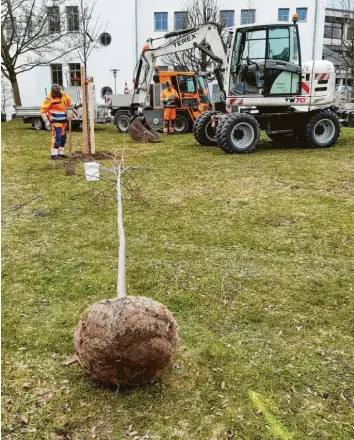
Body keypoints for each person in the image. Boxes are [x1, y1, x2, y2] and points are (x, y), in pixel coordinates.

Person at [40, 84, 81, 160]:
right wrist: (46, 121)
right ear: (52, 92)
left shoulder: (64, 95)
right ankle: (54, 154)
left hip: (63, 121)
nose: (56, 95)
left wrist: (78, 105)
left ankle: (60, 153)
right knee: (57, 137)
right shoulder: (49, 98)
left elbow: (70, 103)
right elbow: (43, 111)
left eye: (57, 94)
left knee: (63, 138)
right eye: (54, 94)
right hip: (55, 121)